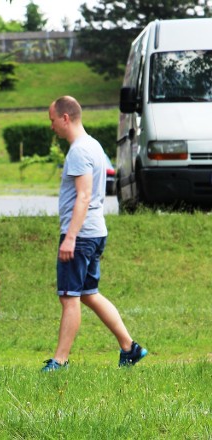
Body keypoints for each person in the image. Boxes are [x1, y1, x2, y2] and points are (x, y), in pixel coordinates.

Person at [42, 96, 147, 372]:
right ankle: (130, 347)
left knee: (70, 297)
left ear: (65, 118)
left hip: (82, 235)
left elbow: (84, 196)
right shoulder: (94, 146)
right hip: (95, 232)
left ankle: (60, 361)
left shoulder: (79, 150)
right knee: (89, 293)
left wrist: (70, 237)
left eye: (53, 120)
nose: (52, 126)